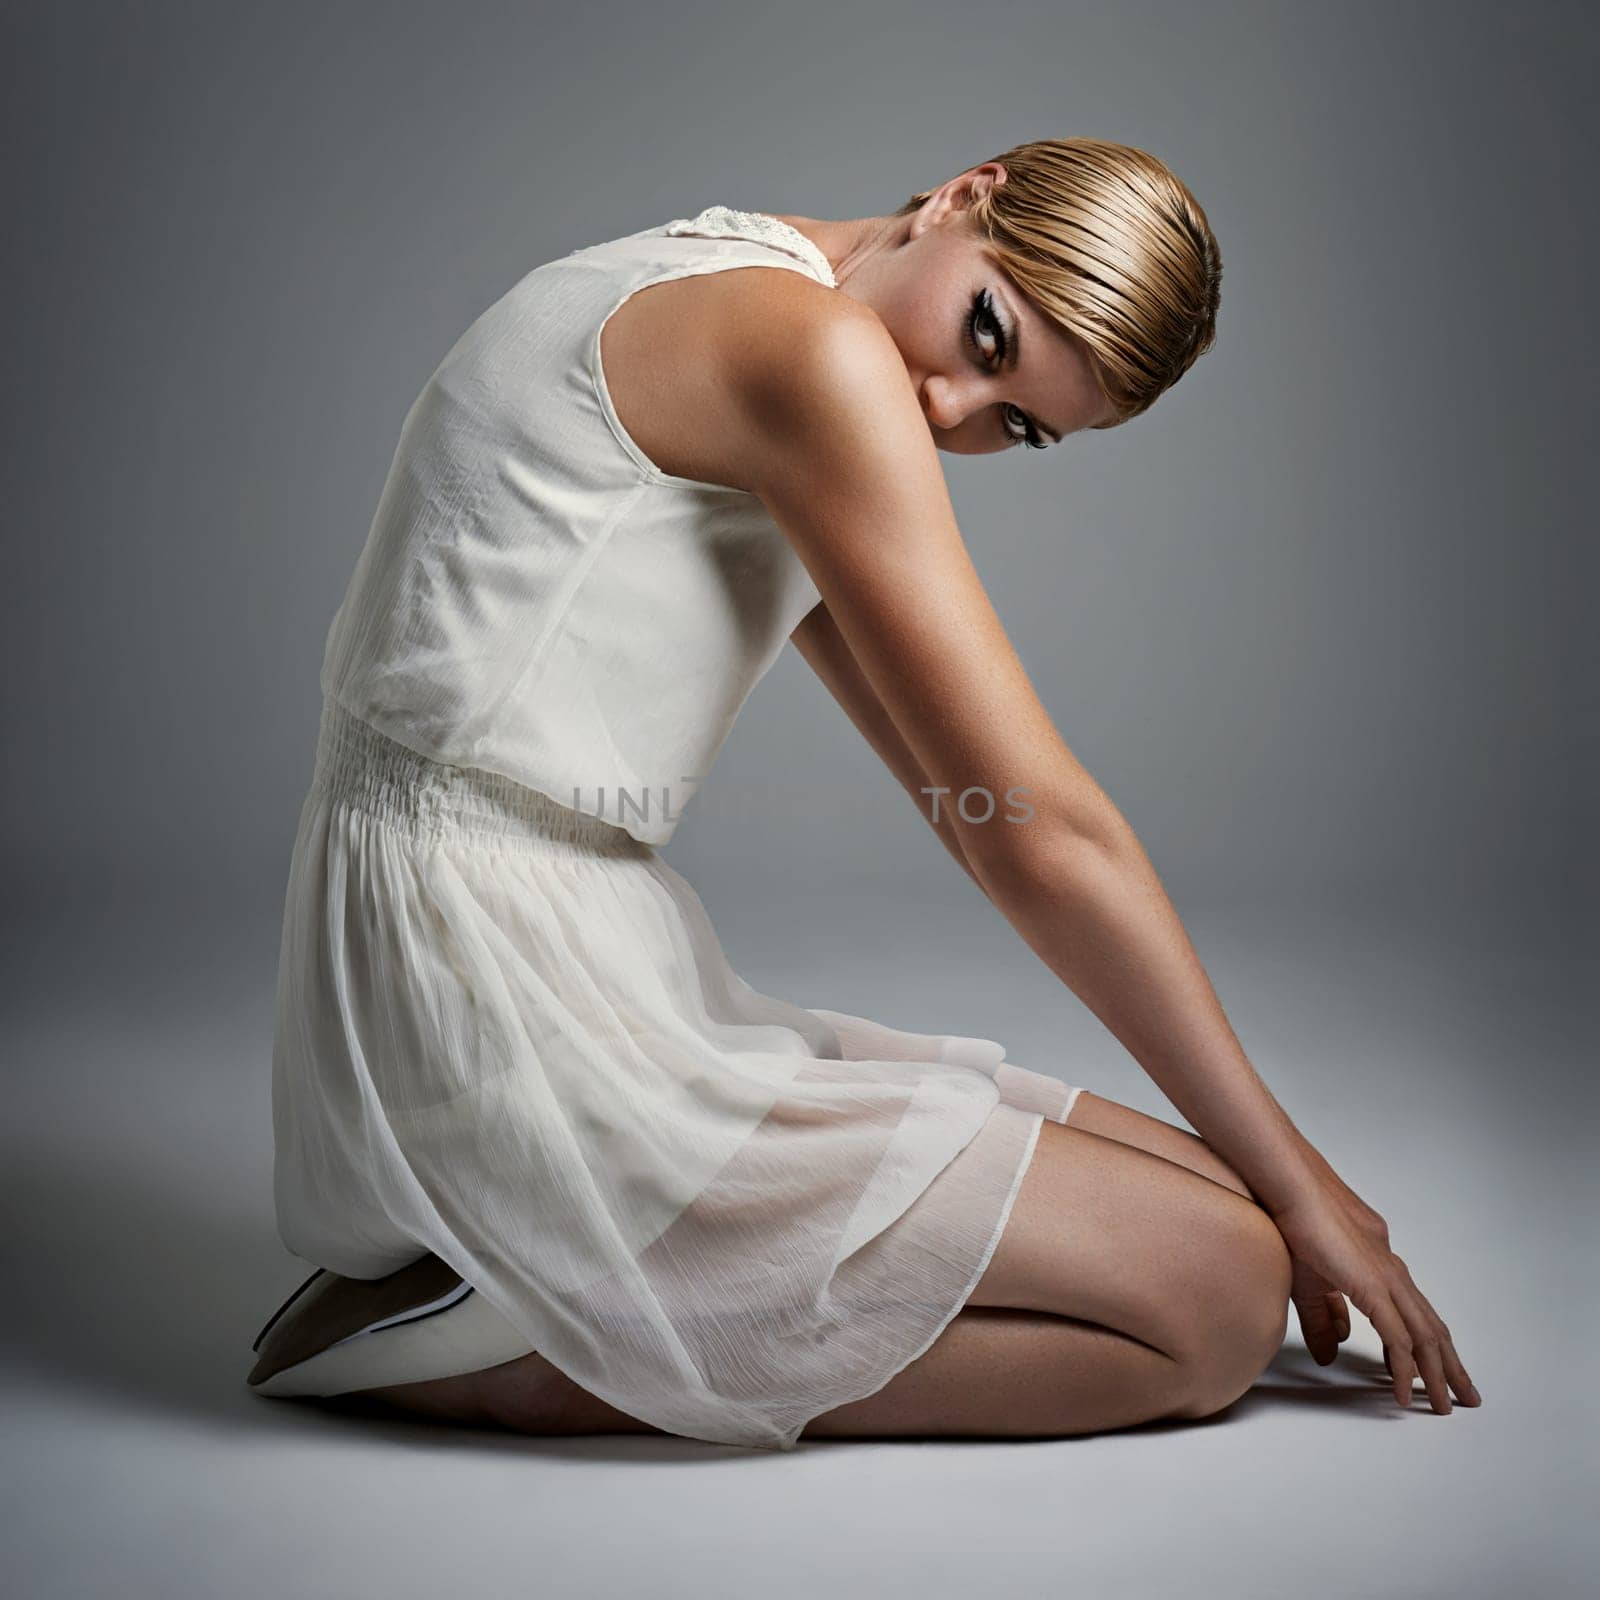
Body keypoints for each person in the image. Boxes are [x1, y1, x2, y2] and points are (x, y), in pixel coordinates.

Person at [246, 137, 1480, 1450]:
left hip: (487, 939)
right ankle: (534, 1357)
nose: (950, 410)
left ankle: (548, 1288)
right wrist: (1315, 1186)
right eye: (986, 331)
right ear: (965, 193)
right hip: (488, 989)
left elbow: (972, 811)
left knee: (1215, 1203)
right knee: (1224, 1307)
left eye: (1019, 426)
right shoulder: (810, 354)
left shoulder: (723, 276)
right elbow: (1037, 836)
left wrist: (1278, 1187)